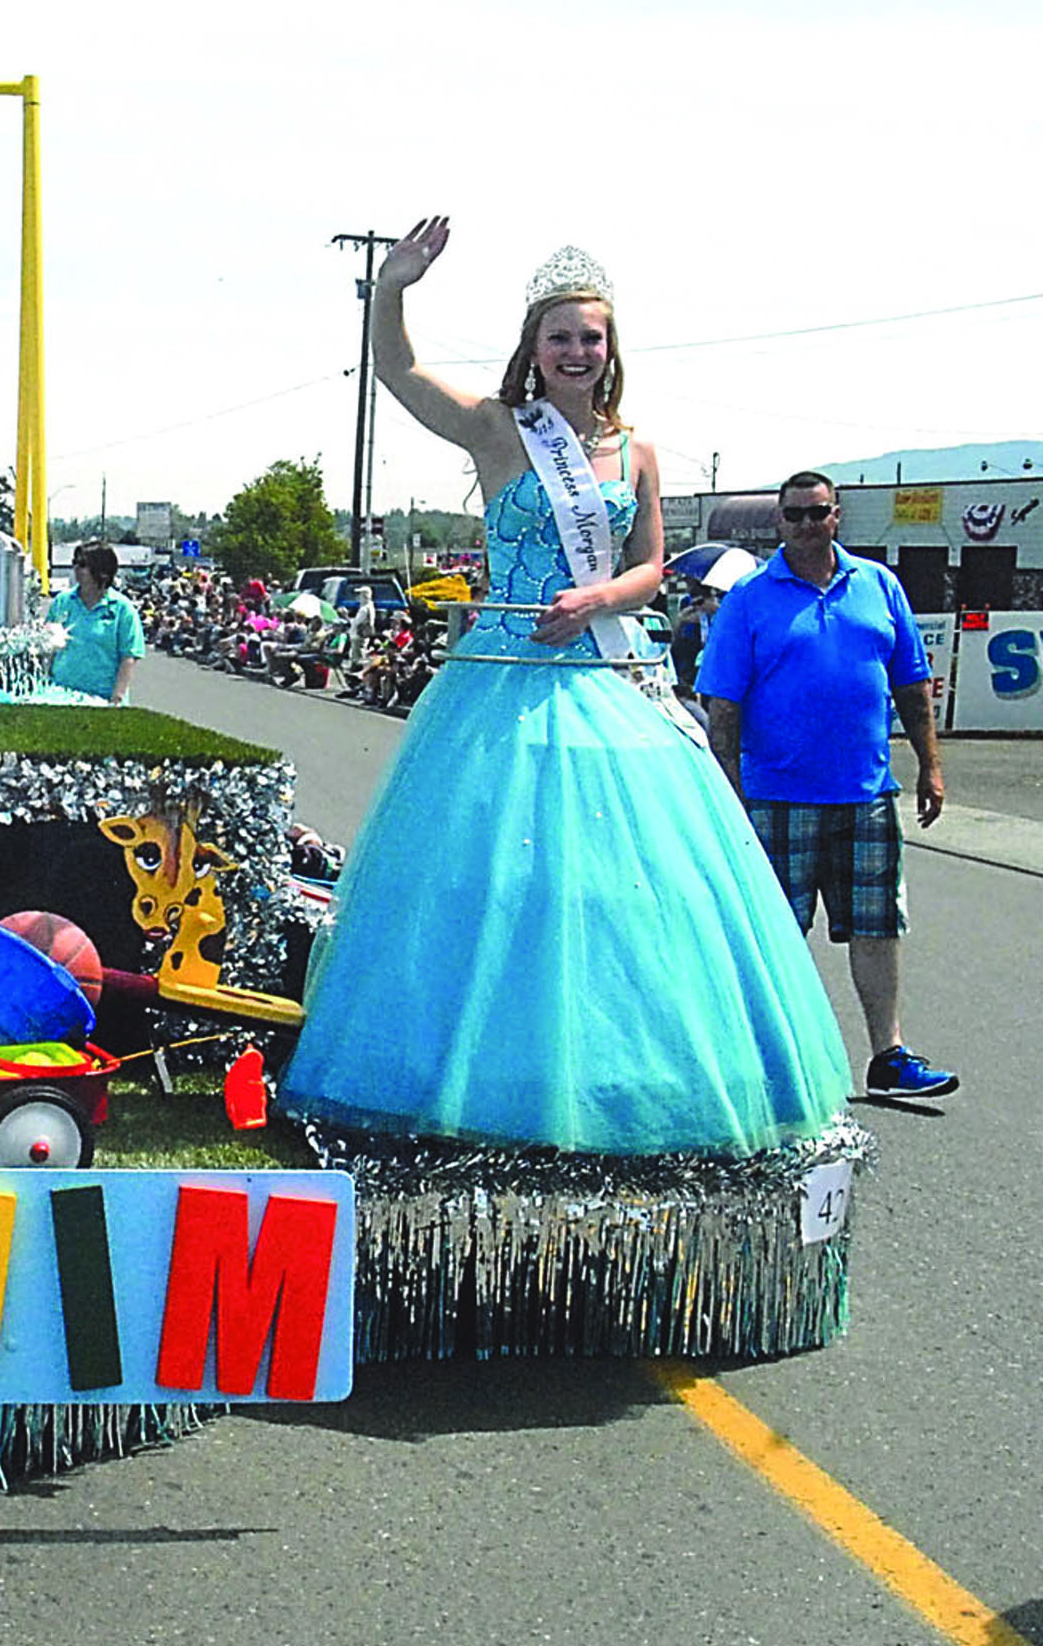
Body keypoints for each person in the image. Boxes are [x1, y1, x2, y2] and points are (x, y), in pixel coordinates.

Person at [277, 220, 848, 1154]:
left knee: (617, 884)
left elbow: (652, 565)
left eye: (592, 338)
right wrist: (393, 286)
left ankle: (621, 1077)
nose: (578, 352)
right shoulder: (500, 429)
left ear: (609, 349)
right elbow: (399, 372)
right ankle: (482, 1079)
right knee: (491, 879)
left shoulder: (638, 452)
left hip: (602, 664)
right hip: (502, 673)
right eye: (561, 337)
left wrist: (598, 598)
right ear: (533, 349)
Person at [697, 472, 956, 1099]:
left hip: (865, 794)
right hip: (776, 795)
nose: (807, 526)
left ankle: (888, 1057)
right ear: (779, 523)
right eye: (795, 516)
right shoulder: (750, 598)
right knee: (775, 933)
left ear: (837, 516)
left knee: (876, 927)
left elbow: (912, 685)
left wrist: (931, 764)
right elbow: (722, 705)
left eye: (818, 514)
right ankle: (772, 1060)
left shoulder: (878, 586)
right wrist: (728, 796)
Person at [47, 544, 145, 703]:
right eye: (75, 563)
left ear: (103, 572)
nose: (76, 569)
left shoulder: (122, 609)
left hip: (101, 698)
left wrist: (117, 698)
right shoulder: (62, 602)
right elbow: (48, 647)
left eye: (83, 565)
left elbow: (129, 657)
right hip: (60, 695)